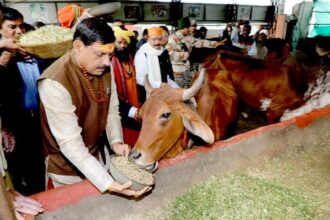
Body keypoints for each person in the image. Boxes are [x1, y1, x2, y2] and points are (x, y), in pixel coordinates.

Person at [38, 18, 150, 197]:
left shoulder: (104, 67)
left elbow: (112, 111)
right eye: (100, 54)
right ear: (78, 46)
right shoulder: (53, 83)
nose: (107, 62)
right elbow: (70, 145)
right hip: (66, 174)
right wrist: (108, 183)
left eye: (110, 56)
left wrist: (116, 142)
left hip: (98, 159)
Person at [0, 6, 47, 195]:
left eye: (21, 26)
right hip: (12, 125)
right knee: (18, 173)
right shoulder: (2, 57)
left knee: (38, 167)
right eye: (12, 26)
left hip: (37, 120)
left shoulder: (33, 52)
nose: (19, 31)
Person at [166, 17, 225, 88]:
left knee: (188, 89)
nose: (190, 30)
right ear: (184, 28)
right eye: (188, 28)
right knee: (180, 92)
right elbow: (170, 55)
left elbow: (199, 42)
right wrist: (184, 55)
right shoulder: (172, 38)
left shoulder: (187, 37)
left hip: (187, 69)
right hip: (177, 72)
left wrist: (214, 43)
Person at [112, 26, 141, 146]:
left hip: (134, 100)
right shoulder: (111, 60)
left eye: (124, 43)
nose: (123, 46)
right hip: (121, 104)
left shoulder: (129, 57)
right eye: (119, 42)